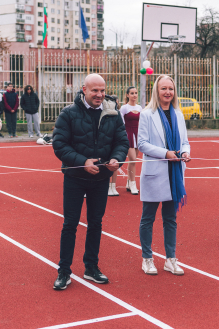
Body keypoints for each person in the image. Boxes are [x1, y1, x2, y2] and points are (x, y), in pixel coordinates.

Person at [51, 73, 129, 290]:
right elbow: (59, 145)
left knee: (96, 224)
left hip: (101, 178)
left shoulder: (112, 113)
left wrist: (117, 160)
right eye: (95, 90)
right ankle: (64, 271)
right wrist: (83, 162)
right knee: (70, 224)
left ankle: (91, 267)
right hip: (75, 178)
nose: (100, 94)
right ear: (83, 89)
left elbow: (121, 142)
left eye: (102, 90)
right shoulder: (68, 113)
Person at [137, 75, 191, 276]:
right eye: (163, 88)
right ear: (156, 91)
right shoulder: (146, 114)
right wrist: (165, 153)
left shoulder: (178, 113)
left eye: (171, 88)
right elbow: (142, 144)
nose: (168, 92)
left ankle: (170, 259)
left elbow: (185, 141)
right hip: (156, 171)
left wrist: (185, 153)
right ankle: (147, 259)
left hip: (174, 173)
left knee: (170, 219)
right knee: (148, 218)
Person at [110, 86, 142, 196]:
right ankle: (132, 183)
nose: (134, 95)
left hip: (138, 135)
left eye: (136, 93)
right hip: (128, 134)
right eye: (132, 93)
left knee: (133, 161)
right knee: (132, 159)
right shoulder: (124, 108)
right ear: (127, 95)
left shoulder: (140, 108)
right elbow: (121, 123)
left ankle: (129, 183)